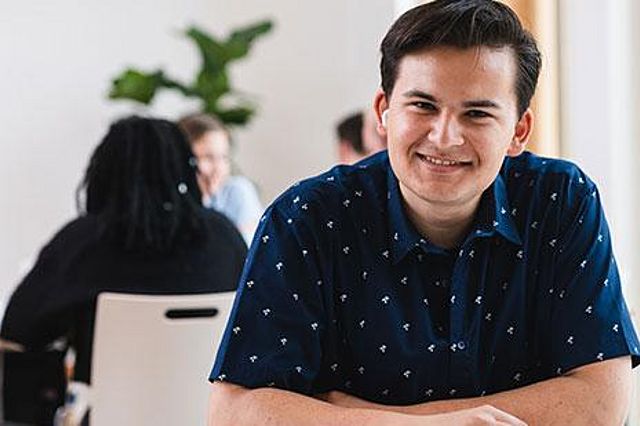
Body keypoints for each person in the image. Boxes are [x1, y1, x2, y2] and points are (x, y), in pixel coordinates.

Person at [208, 1, 640, 425]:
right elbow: (234, 413)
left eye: (477, 113)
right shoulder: (305, 218)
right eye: (423, 106)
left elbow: (600, 404)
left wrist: (349, 414)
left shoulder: (561, 200)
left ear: (518, 131)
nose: (445, 137)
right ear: (384, 111)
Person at [1, 117, 247, 423]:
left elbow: (17, 331)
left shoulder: (83, 241)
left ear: (104, 169)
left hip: (106, 415)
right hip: (210, 415)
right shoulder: (224, 237)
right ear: (185, 166)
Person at [179, 113, 263, 245]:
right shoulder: (170, 201)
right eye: (208, 157)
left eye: (224, 157)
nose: (219, 168)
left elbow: (247, 252)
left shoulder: (237, 191)